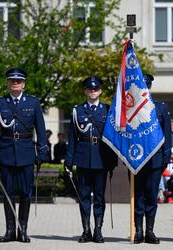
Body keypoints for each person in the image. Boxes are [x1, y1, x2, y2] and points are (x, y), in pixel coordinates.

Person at [0, 67, 48, 243]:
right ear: (8, 83)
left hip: (26, 154)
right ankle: (9, 230)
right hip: (6, 155)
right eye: (12, 81)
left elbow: (41, 130)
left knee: (25, 193)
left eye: (18, 81)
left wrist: (42, 153)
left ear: (24, 84)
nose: (15, 83)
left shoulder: (33, 103)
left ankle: (23, 230)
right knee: (8, 194)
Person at [64, 76, 117, 243]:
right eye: (89, 89)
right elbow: (72, 139)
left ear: (100, 90)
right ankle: (86, 230)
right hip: (83, 158)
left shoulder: (108, 110)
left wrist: (112, 162)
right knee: (84, 196)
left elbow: (113, 138)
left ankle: (98, 230)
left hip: (102, 159)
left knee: (99, 197)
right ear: (85, 91)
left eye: (95, 89)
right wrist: (69, 161)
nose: (93, 91)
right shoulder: (77, 111)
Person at [133, 73, 171, 244]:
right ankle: (139, 231)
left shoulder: (160, 108)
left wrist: (165, 157)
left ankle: (150, 231)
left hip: (155, 160)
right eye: (143, 86)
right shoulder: (132, 107)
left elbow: (167, 136)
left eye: (147, 86)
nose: (145, 89)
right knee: (138, 196)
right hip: (136, 159)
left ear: (150, 87)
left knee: (151, 196)